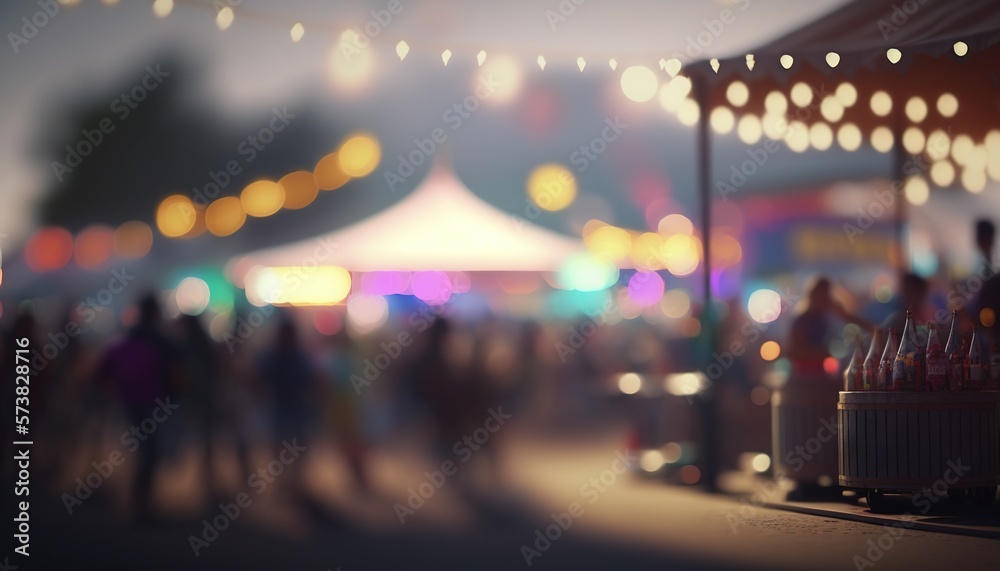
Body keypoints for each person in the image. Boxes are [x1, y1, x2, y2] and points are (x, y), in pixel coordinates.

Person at [95, 294, 178, 521]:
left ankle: (139, 503)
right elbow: (175, 371)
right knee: (150, 452)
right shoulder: (161, 340)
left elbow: (103, 370)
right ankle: (140, 505)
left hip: (129, 401)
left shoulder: (126, 338)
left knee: (144, 451)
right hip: (152, 402)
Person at [786, 276, 873, 380]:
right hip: (803, 376)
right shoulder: (802, 320)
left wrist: (843, 313)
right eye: (821, 294)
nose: (824, 298)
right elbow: (793, 351)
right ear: (813, 295)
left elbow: (850, 320)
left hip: (820, 373)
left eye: (826, 294)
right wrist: (822, 353)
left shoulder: (824, 317)